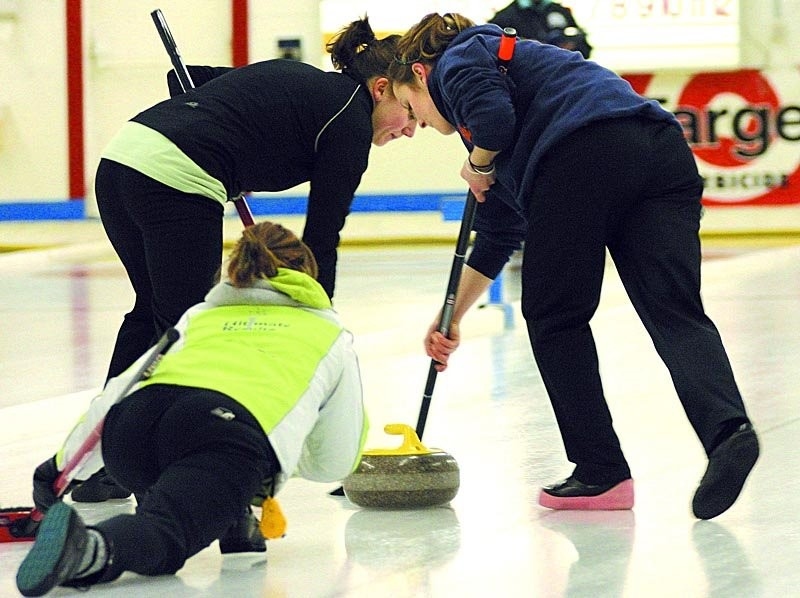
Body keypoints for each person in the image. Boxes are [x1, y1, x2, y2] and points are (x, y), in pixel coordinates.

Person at [388, 13, 759, 519]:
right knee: (674, 311)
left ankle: (600, 471)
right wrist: (452, 315)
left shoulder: (458, 60)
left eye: (413, 108)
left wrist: (476, 163)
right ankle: (728, 432)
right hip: (659, 151)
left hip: (581, 154)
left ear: (420, 73)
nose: (423, 125)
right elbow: (498, 231)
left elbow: (494, 122)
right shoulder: (512, 87)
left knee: (553, 315)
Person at [72, 16, 413, 503]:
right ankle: (151, 463)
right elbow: (323, 234)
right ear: (382, 89)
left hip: (123, 160)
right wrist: (316, 315)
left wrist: (229, 142)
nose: (410, 130)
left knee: (154, 313)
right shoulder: (350, 122)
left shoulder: (296, 77)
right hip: (176, 181)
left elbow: (186, 79)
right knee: (185, 328)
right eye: (411, 115)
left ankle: (100, 457)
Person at [15, 221, 367, 597]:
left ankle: (230, 515)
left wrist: (58, 470)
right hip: (222, 433)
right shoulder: (329, 333)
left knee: (184, 507)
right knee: (168, 532)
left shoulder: (200, 316)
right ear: (307, 274)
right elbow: (336, 459)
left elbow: (119, 390)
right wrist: (274, 459)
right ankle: (89, 550)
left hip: (133, 429)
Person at [489, 0, 592, 58]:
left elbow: (585, 49)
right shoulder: (505, 17)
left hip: (562, 77)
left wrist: (571, 47)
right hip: (525, 84)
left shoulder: (560, 11)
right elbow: (492, 54)